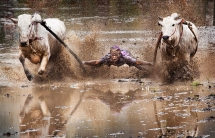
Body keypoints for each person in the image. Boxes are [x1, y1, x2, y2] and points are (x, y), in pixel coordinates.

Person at [82, 46, 153, 70]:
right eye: (113, 55)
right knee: (98, 65)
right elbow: (96, 61)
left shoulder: (126, 57)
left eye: (116, 55)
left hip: (126, 54)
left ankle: (147, 72)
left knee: (137, 65)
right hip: (108, 60)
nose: (114, 57)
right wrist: (85, 62)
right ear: (110, 55)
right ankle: (87, 70)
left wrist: (149, 63)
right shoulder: (108, 58)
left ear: (119, 55)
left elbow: (138, 61)